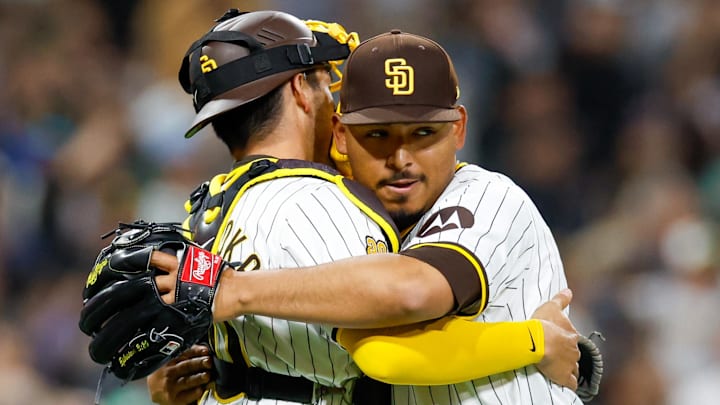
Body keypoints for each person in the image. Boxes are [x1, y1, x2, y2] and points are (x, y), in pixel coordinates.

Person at [144, 13, 582, 404]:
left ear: (459, 128)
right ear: (340, 134)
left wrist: (535, 341)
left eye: (424, 133)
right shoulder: (340, 207)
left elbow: (393, 328)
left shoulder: (484, 196)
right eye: (377, 135)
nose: (402, 158)